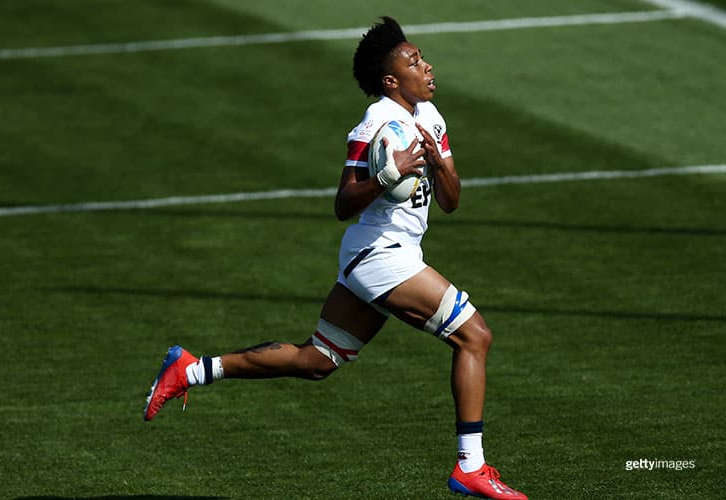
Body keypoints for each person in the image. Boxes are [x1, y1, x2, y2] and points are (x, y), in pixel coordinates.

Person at [143, 16, 527, 499]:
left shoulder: (432, 118)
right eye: (414, 61)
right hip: (379, 255)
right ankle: (471, 467)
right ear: (391, 81)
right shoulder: (374, 125)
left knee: (316, 360)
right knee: (475, 336)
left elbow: (450, 200)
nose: (427, 66)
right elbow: (343, 203)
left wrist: (433, 158)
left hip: (394, 253)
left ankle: (191, 369)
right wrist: (389, 175)